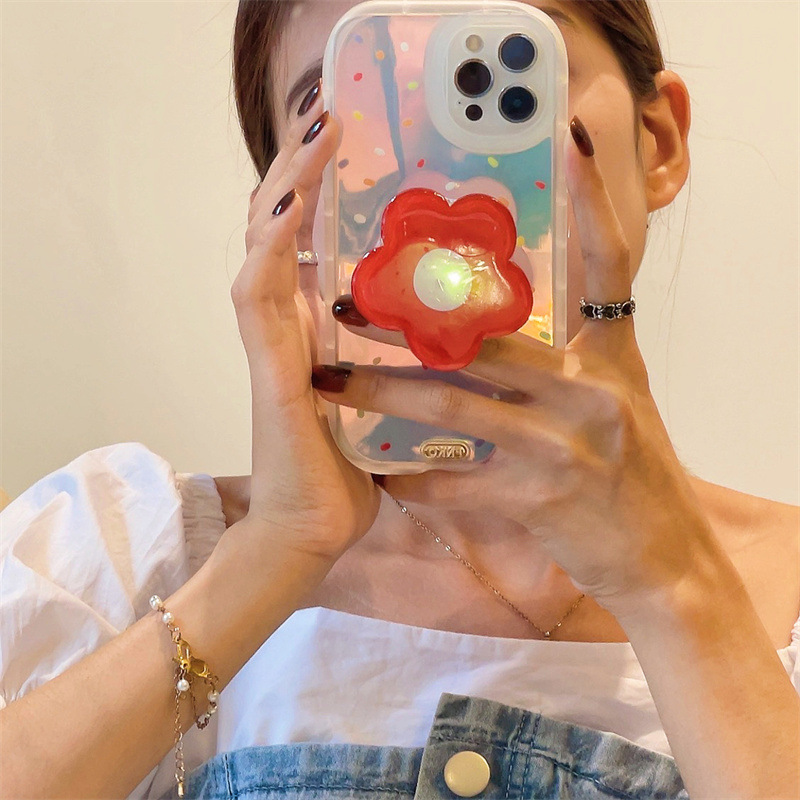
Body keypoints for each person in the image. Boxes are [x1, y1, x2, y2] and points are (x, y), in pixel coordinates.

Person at [1, 1, 798, 798]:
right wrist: (272, 557)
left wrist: (673, 587)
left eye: (506, 71)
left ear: (658, 142)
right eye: (348, 101)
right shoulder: (127, 559)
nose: (438, 169)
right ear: (286, 202)